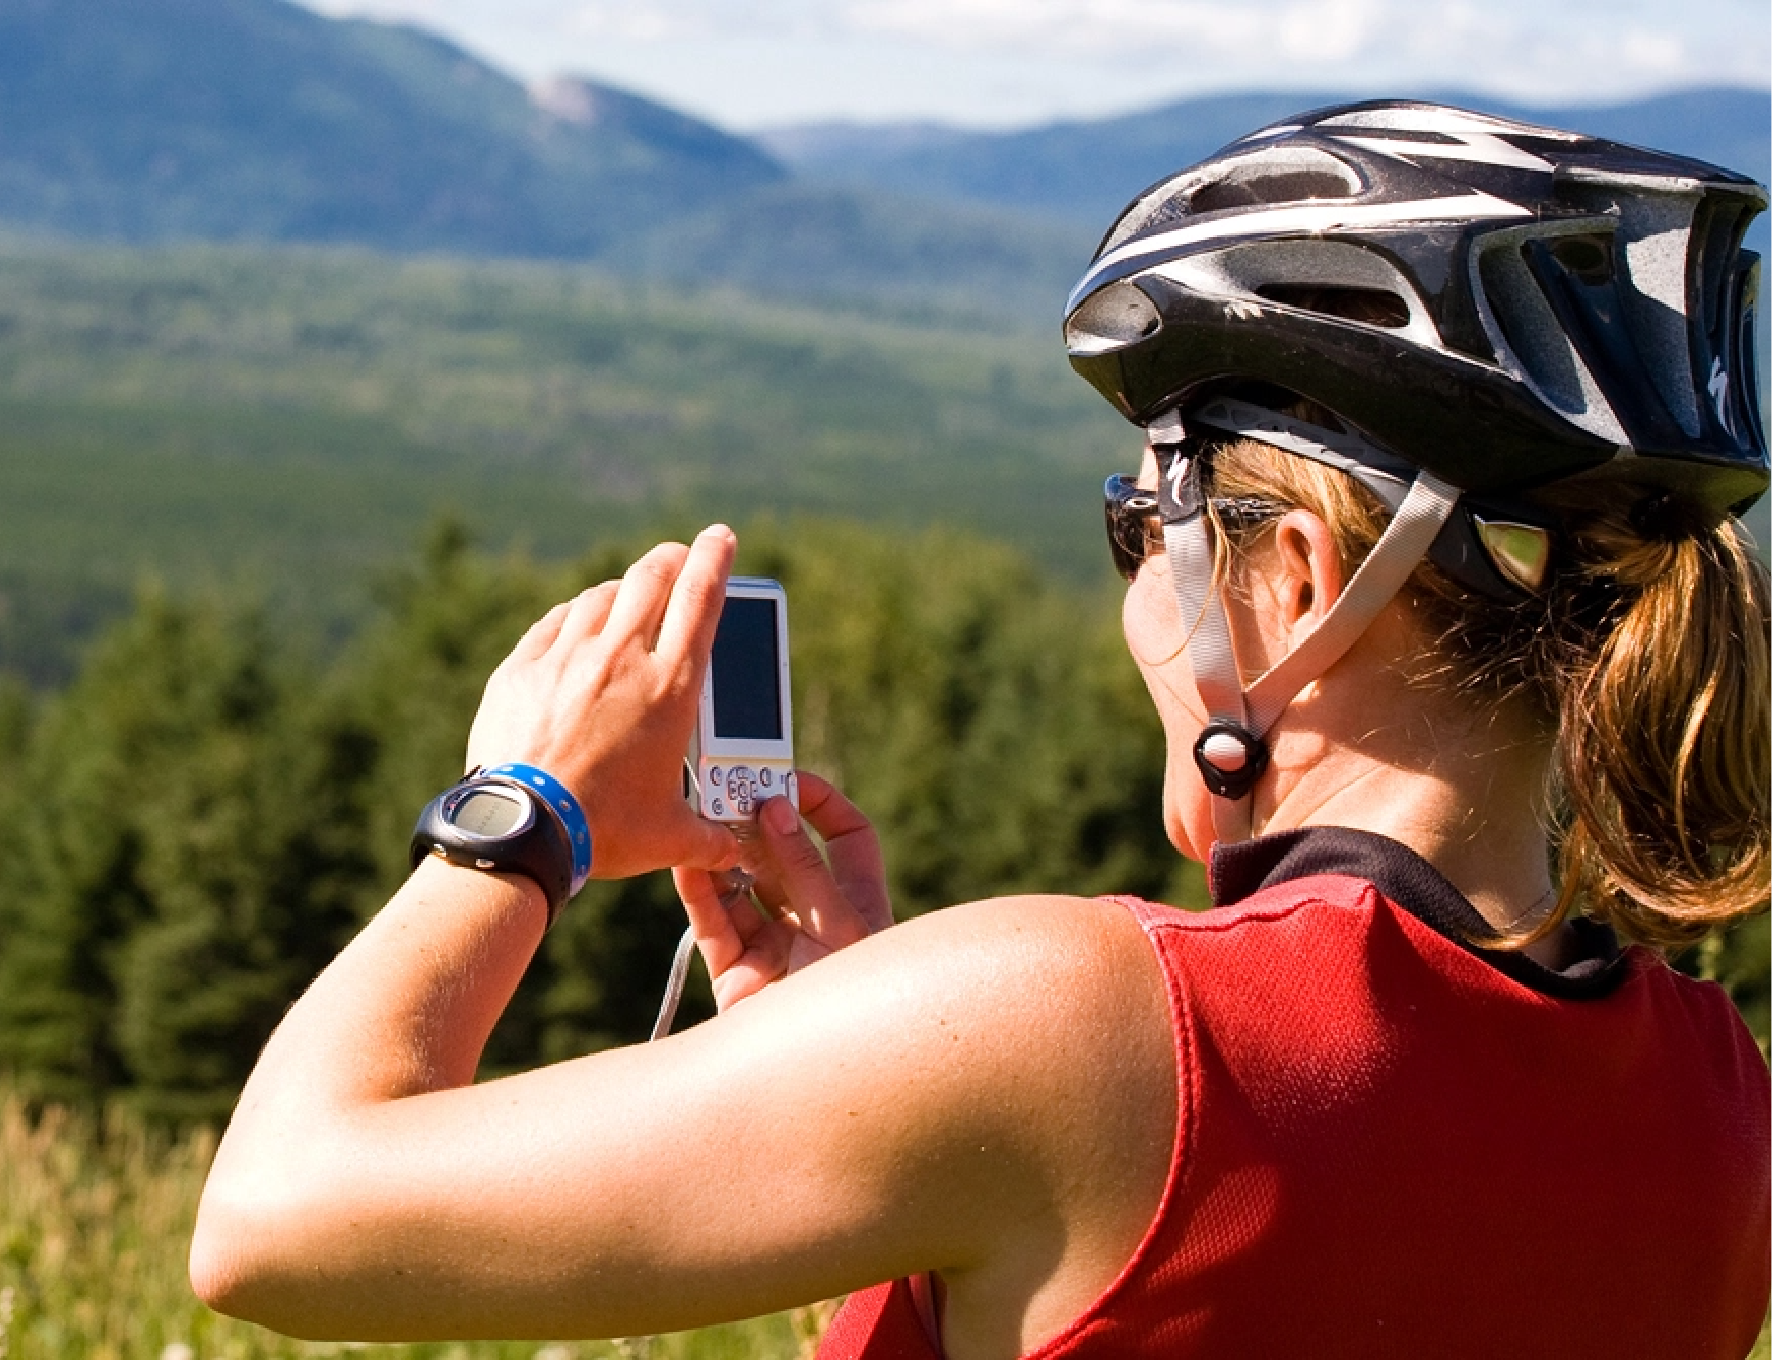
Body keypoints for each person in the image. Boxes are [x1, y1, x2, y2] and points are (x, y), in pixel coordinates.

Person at [189, 100, 1772, 1358]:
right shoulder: (1714, 1105)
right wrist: (874, 1090)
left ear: (1292, 581)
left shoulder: (1090, 1020)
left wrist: (517, 813)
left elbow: (272, 1225)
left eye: (1136, 523)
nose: (1136, 590)